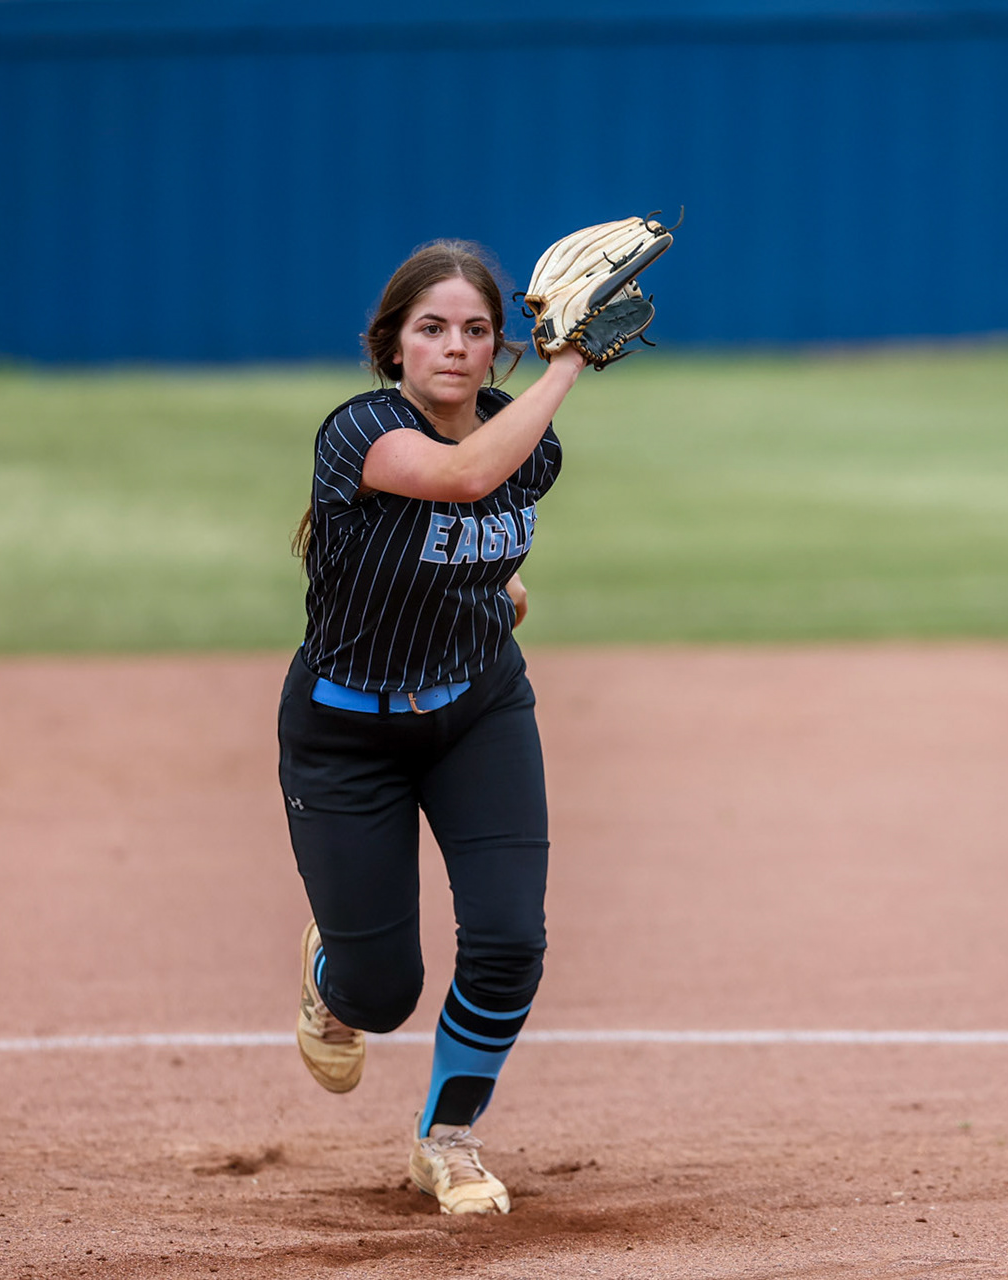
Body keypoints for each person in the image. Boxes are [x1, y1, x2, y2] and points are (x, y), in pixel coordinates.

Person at [277, 239, 585, 1215]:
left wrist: (498, 586)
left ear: (499, 350)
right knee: (381, 990)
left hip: (478, 707)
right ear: (393, 346)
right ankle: (333, 972)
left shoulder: (528, 442)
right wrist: (570, 360)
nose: (455, 346)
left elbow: (476, 525)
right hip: (347, 731)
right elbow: (455, 480)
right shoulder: (358, 431)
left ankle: (448, 1139)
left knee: (508, 940)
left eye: (477, 330)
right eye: (432, 327)